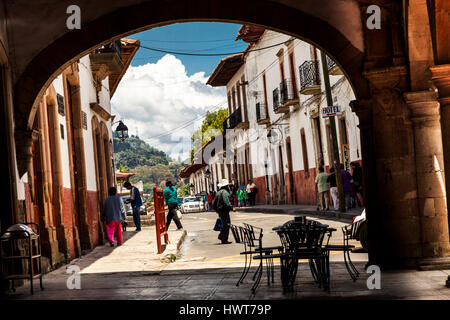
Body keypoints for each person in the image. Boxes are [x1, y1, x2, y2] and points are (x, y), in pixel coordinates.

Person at [213, 179, 235, 244]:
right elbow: (226, 202)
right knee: (226, 224)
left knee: (223, 224)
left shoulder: (218, 192)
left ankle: (222, 236)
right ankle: (224, 238)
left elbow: (214, 203)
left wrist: (217, 210)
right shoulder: (225, 192)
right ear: (226, 186)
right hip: (224, 211)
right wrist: (232, 208)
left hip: (220, 211)